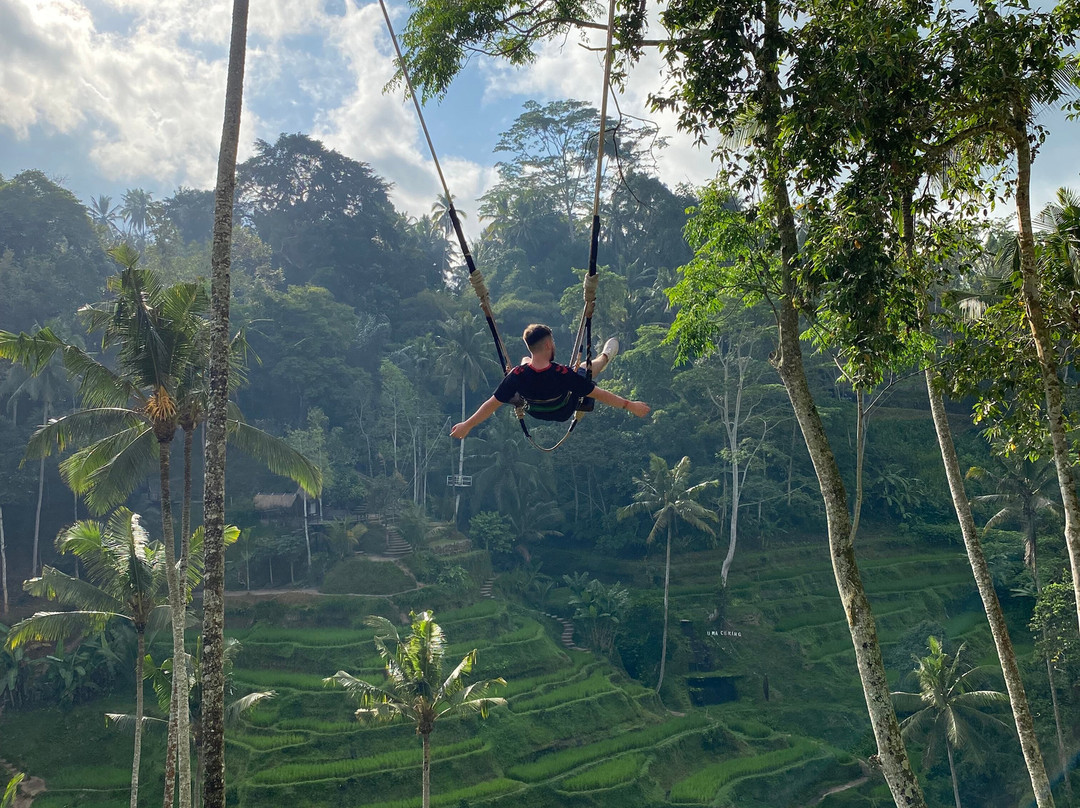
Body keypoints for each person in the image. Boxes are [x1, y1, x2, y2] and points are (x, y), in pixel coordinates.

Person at [450, 323, 650, 439]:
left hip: (535, 410)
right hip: (563, 409)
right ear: (547, 344)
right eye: (552, 342)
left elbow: (491, 404)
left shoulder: (517, 375)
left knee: (524, 364)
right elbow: (600, 394)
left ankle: (529, 360)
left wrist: (467, 425)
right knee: (584, 370)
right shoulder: (563, 374)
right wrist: (630, 405)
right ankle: (605, 357)